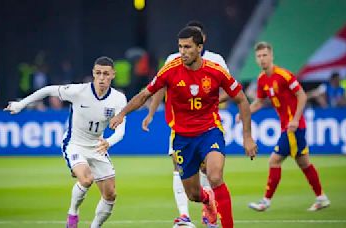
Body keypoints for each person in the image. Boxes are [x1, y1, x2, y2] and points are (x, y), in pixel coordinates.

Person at [110, 26, 257, 228]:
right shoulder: (170, 70)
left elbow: (241, 99)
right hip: (182, 138)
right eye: (180, 47)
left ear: (199, 47)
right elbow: (146, 94)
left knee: (215, 176)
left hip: (209, 131)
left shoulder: (215, 70)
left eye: (187, 47)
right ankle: (207, 201)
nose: (183, 51)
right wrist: (122, 113)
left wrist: (247, 137)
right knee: (194, 194)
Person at [4, 56, 127, 228]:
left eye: (106, 74)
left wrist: (109, 141)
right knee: (86, 179)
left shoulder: (118, 99)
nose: (101, 77)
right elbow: (47, 90)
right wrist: (20, 105)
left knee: (111, 194)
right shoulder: (78, 91)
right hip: (74, 143)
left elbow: (121, 129)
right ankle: (72, 213)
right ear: (93, 73)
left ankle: (95, 226)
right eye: (98, 73)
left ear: (113, 75)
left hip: (98, 146)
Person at [141, 20, 231, 227]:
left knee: (209, 170)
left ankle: (207, 210)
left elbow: (228, 89)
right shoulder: (174, 60)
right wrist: (152, 112)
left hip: (207, 125)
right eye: (182, 44)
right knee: (177, 166)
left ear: (202, 40)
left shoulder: (216, 61)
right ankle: (184, 215)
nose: (184, 49)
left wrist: (208, 101)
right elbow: (160, 87)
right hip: (180, 126)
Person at [240, 41, 330, 212]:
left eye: (265, 55)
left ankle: (265, 202)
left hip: (293, 128)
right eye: (259, 56)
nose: (262, 59)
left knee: (274, 160)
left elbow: (302, 96)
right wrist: (245, 113)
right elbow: (259, 102)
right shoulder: (261, 80)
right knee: (304, 163)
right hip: (288, 128)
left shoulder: (284, 75)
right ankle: (321, 198)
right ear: (256, 59)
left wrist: (295, 120)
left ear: (271, 56)